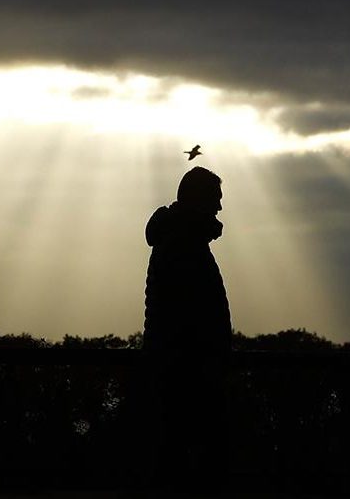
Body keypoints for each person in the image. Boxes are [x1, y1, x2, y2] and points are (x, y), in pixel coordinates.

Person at [141, 166, 231, 488]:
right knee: (181, 465)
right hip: (188, 376)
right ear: (199, 200)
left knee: (172, 461)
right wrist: (208, 363)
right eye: (216, 199)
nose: (220, 208)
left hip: (178, 371)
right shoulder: (184, 244)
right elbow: (190, 315)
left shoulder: (176, 239)